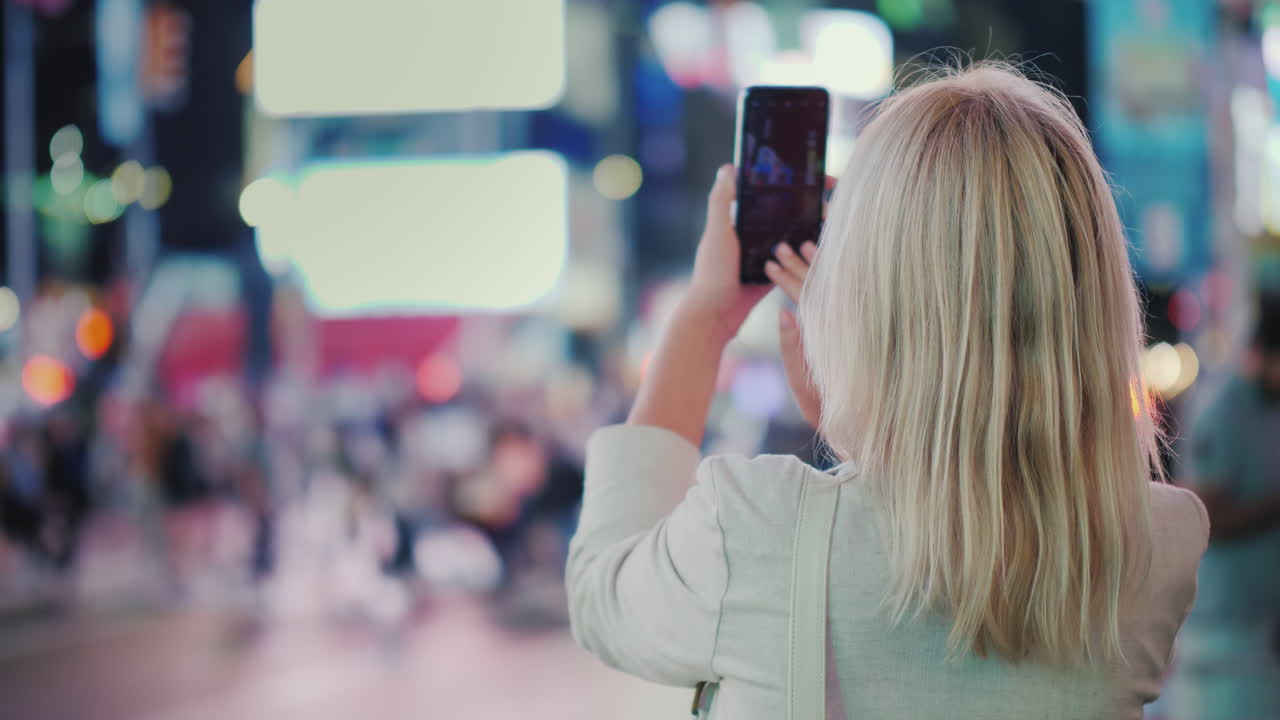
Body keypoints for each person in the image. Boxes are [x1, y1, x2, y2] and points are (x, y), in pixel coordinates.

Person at [566, 63, 1208, 719]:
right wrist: (863, 423)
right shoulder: (1157, 544)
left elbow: (602, 597)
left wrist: (707, 318)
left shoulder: (758, 526)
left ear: (865, 298)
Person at [1167, 293, 1280, 719]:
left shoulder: (1270, 410)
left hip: (1263, 632)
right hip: (1221, 638)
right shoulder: (1222, 411)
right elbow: (1205, 514)